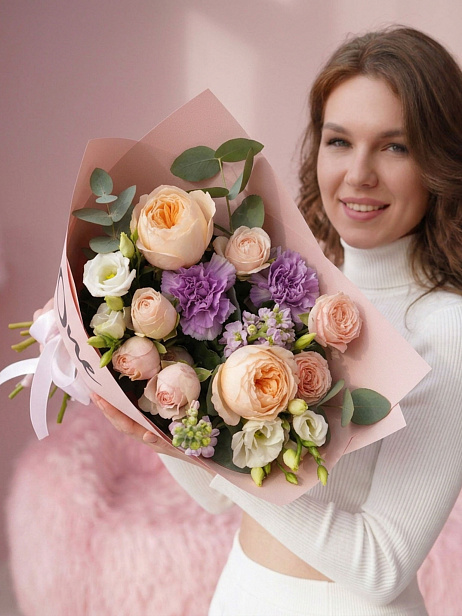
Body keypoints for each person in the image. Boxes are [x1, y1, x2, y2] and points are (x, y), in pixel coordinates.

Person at [92, 26, 462, 616]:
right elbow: (218, 498)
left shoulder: (447, 327)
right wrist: (154, 410)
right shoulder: (293, 284)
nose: (359, 174)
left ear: (441, 162)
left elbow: (382, 565)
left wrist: (211, 460)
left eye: (395, 147)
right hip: (243, 594)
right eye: (339, 141)